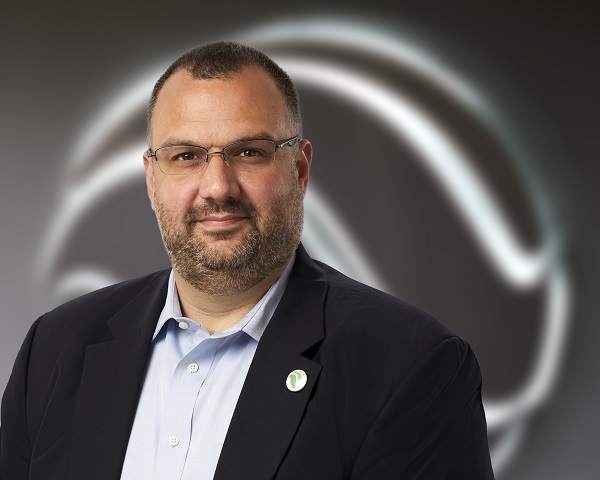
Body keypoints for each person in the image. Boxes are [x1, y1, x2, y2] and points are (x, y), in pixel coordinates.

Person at [0, 41, 494, 479]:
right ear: (152, 179)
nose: (218, 187)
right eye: (186, 156)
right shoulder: (56, 347)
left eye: (249, 152)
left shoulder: (410, 366)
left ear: (299, 170)